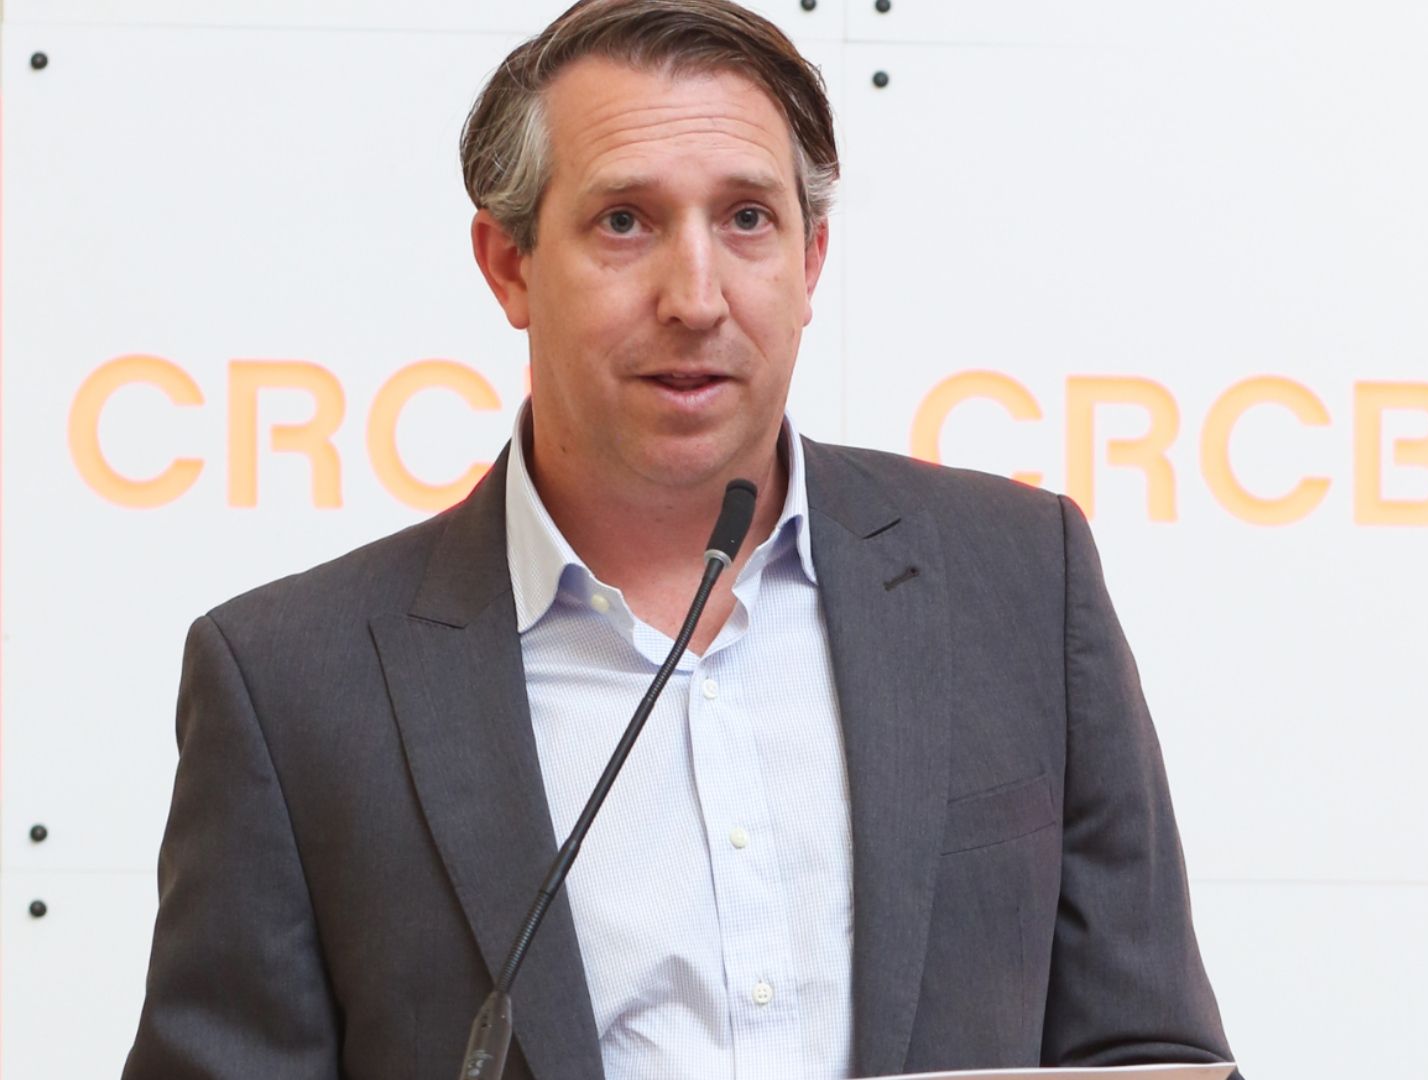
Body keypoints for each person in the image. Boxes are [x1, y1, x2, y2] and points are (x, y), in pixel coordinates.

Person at [121, 1, 1234, 1077]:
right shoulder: (292, 683)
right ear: (509, 266)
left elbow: (1149, 1053)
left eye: (748, 217)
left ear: (811, 262)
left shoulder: (1021, 580)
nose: (696, 296)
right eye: (625, 222)